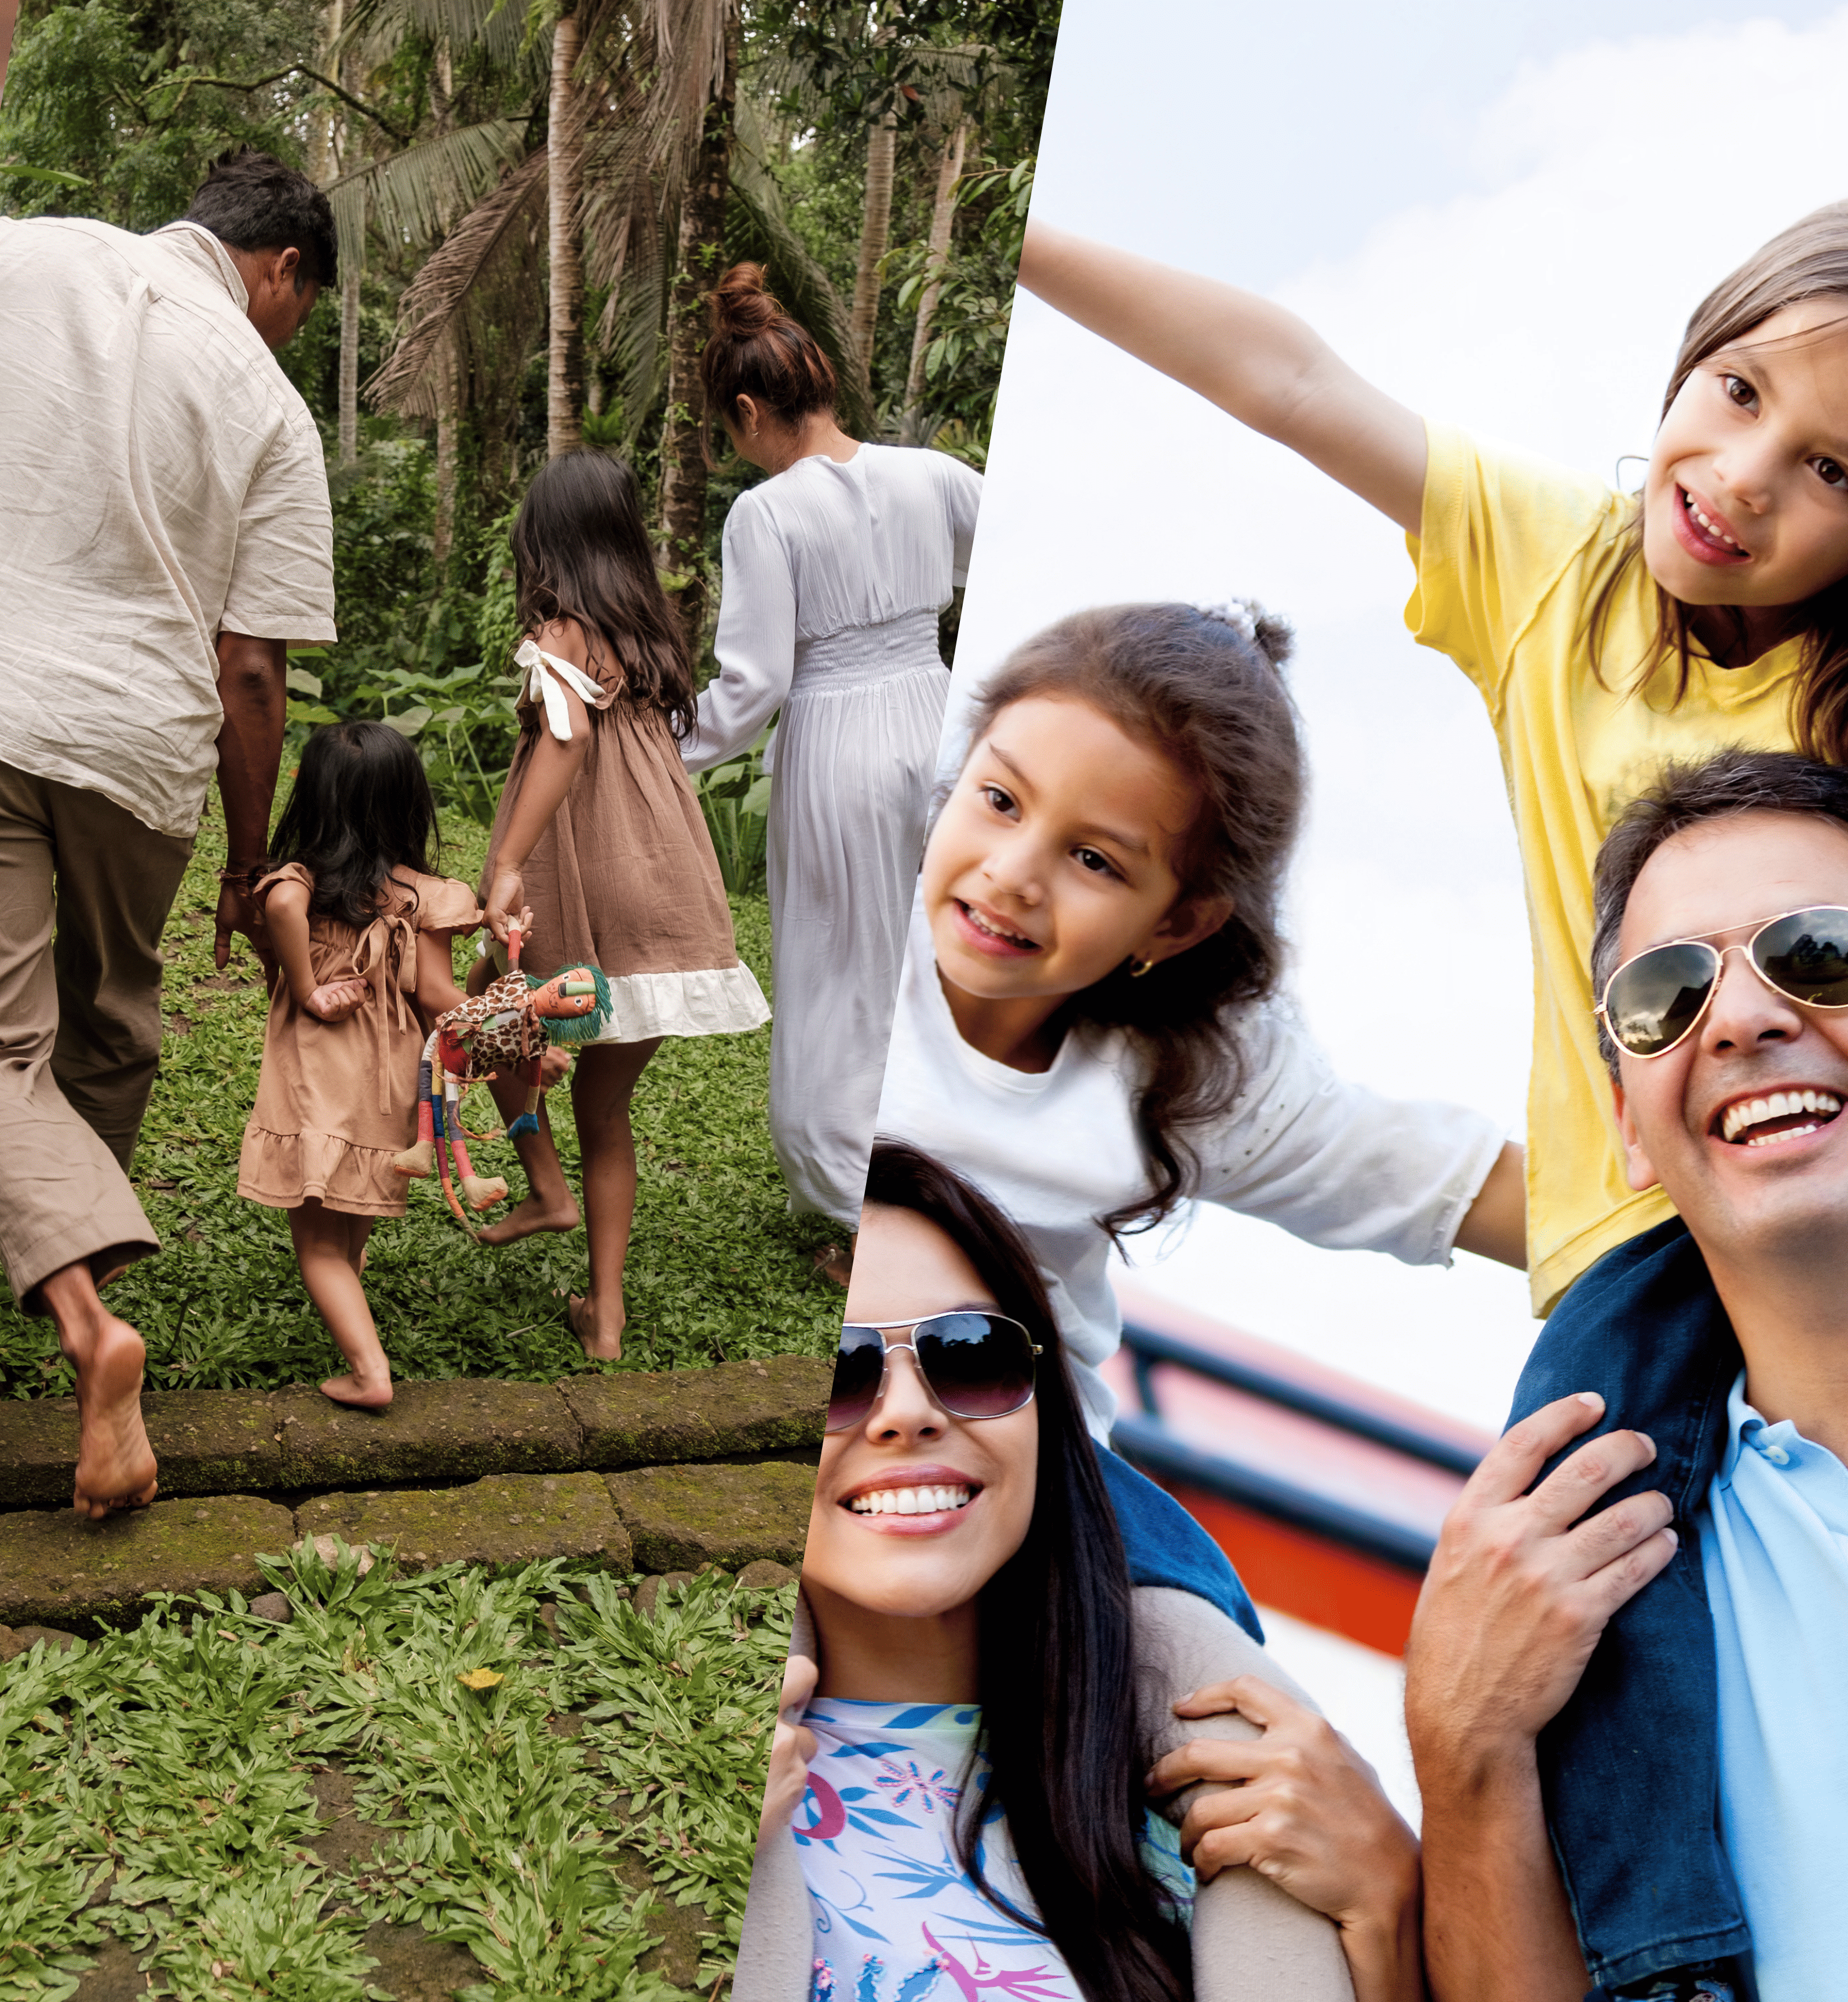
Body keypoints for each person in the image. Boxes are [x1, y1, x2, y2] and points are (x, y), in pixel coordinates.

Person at [1019, 206, 1848, 1314]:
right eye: (1739, 390)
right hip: (1630, 1254)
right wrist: (1020, 240)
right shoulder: (1563, 574)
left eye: (1832, 469)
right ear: (1693, 354)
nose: (1748, 476)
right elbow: (1292, 381)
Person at [874, 600, 1520, 1632]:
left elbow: (1453, 1185)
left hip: (1039, 1466)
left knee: (1204, 1654)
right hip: (857, 1418)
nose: (1012, 874)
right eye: (998, 799)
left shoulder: (1187, 1075)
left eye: (1094, 861)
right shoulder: (851, 935)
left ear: (1174, 924)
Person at [0, 147, 338, 1517]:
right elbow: (250, 672)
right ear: (282, 271)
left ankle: (78, 1301)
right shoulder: (271, 404)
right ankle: (80, 1290)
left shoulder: (11, 251)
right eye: (299, 306)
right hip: (134, 750)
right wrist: (248, 865)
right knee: (113, 1024)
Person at [732, 1139, 1420, 2002]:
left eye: (970, 1354)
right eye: (837, 1371)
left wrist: (1388, 1905)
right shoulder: (669, 1767)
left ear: (1045, 1403)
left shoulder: (1246, 1794)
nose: (907, 1414)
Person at [1408, 749, 1848, 2001]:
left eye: (1817, 951)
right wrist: (1462, 1746)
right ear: (1625, 1125)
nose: (1746, 1020)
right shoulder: (1570, 1576)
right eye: (1668, 992)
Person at [677, 264, 983, 1238]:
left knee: (839, 984)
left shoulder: (765, 514)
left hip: (836, 750)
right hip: (941, 731)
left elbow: (752, 687)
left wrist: (654, 746)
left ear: (746, 410)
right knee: (941, 971)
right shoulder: (930, 474)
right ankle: (963, 1184)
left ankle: (868, 1213)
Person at [470, 452, 775, 1357]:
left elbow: (563, 743)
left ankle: (545, 1188)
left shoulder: (561, 634)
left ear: (544, 543)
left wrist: (508, 864)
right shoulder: (648, 640)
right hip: (667, 882)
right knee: (605, 1112)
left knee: (475, 1017)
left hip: (583, 876)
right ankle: (605, 1319)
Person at [236, 722, 485, 1404]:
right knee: (347, 1218)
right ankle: (351, 1305)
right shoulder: (424, 896)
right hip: (390, 1081)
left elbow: (280, 900)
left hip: (320, 1074)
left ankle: (370, 1372)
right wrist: (513, 1038)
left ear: (314, 801)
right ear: (408, 802)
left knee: (315, 1243)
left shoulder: (303, 884)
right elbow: (438, 996)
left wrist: (311, 988)